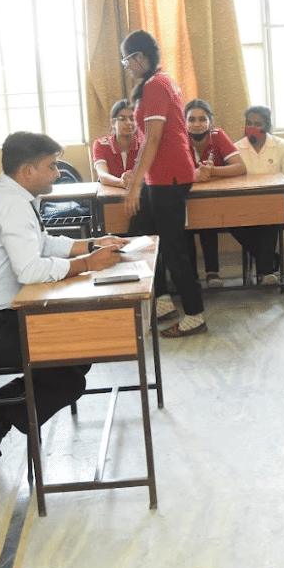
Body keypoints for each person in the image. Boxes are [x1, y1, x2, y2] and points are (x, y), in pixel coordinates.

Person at [0, 131, 126, 461]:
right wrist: (88, 263)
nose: (58, 174)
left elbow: (44, 244)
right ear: (27, 171)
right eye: (52, 166)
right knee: (70, 374)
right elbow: (30, 271)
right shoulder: (12, 205)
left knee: (79, 351)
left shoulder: (16, 196)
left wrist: (94, 244)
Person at [120, 30, 207, 337]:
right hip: (158, 176)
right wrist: (138, 178)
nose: (127, 66)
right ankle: (163, 300)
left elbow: (153, 139)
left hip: (168, 176)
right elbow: (148, 139)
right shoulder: (157, 82)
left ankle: (195, 315)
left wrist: (133, 188)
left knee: (173, 247)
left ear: (139, 58)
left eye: (127, 60)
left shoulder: (156, 85)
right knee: (141, 236)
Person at [230, 105, 284, 285]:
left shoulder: (282, 146)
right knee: (227, 218)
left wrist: (269, 198)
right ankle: (268, 262)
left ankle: (265, 271)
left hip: (281, 200)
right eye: (249, 123)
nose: (252, 127)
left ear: (267, 126)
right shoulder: (236, 149)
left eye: (257, 124)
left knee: (271, 215)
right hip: (247, 202)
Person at [184, 99, 243, 286]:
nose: (197, 124)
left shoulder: (217, 135)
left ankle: (212, 273)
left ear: (210, 121)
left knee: (208, 222)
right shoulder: (177, 138)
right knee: (184, 228)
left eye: (202, 119)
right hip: (183, 197)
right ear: (184, 121)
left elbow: (241, 167)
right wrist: (194, 176)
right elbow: (167, 172)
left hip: (209, 198)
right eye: (191, 119)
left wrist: (214, 171)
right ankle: (190, 277)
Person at [91, 98, 142, 189]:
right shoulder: (101, 144)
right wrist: (122, 183)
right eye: (122, 119)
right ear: (113, 123)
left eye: (132, 118)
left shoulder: (143, 145)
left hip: (139, 195)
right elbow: (102, 175)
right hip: (110, 196)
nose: (129, 123)